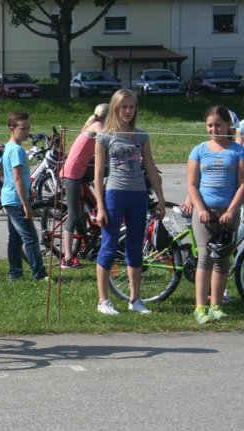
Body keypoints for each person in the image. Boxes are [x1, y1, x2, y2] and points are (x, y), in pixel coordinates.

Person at [94, 89, 166, 315]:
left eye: (131, 107)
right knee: (109, 245)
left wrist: (161, 199)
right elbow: (98, 175)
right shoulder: (104, 137)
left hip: (138, 195)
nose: (128, 111)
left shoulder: (141, 136)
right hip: (115, 194)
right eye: (123, 107)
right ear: (115, 108)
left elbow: (151, 168)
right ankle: (103, 301)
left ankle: (135, 299)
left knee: (135, 247)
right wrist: (100, 207)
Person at [186, 105, 244, 323]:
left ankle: (216, 306)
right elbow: (192, 184)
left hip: (228, 213)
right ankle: (200, 307)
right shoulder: (199, 150)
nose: (214, 129)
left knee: (222, 259)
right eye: (210, 125)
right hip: (204, 213)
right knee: (204, 258)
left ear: (228, 125)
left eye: (218, 125)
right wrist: (201, 209)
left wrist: (231, 210)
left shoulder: (238, 151)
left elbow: (242, 184)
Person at [58, 103, 108, 269]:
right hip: (72, 173)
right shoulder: (98, 126)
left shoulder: (93, 124)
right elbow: (109, 139)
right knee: (73, 214)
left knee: (106, 173)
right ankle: (67, 258)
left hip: (80, 171)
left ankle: (96, 208)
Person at [0, 111, 48, 282]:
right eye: (22, 128)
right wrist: (26, 205)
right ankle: (39, 274)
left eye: (28, 128)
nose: (27, 132)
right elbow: (18, 179)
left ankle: (15, 273)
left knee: (15, 239)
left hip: (8, 198)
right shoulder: (17, 150)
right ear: (11, 129)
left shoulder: (8, 147)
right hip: (16, 200)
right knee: (31, 238)